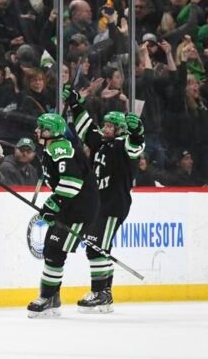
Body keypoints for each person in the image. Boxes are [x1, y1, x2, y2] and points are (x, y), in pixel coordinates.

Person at [63, 85, 145, 312]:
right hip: (98, 204)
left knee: (96, 247)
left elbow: (136, 146)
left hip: (113, 205)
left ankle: (100, 293)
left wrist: (137, 132)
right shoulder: (100, 141)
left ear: (120, 130)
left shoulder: (123, 146)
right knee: (98, 246)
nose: (106, 128)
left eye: (111, 126)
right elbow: (85, 127)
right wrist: (75, 103)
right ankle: (104, 292)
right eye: (106, 124)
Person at [27, 113, 99, 318]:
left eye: (41, 127)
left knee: (55, 249)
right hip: (72, 205)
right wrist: (56, 206)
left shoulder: (59, 148)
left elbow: (72, 183)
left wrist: (55, 204)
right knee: (53, 248)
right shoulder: (54, 147)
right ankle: (51, 297)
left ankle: (49, 298)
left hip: (80, 208)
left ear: (50, 131)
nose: (37, 131)